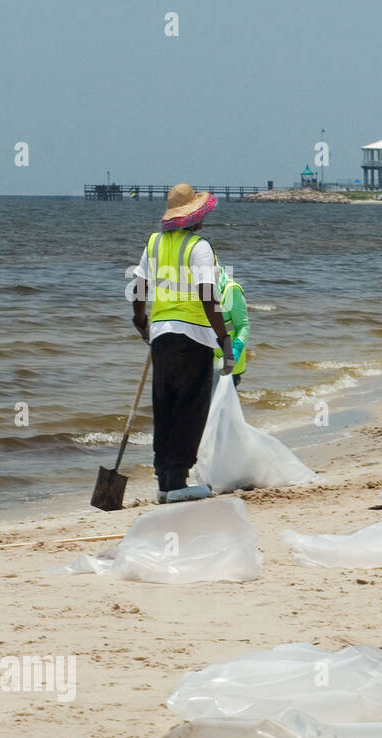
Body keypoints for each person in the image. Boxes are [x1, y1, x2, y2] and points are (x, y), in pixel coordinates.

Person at [130, 184, 234, 503]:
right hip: (194, 338)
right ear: (197, 216)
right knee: (190, 408)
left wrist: (141, 321)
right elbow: (207, 294)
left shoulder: (154, 243)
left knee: (166, 406)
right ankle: (177, 482)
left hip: (161, 335)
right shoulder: (198, 247)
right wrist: (224, 339)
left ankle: (166, 479)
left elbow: (139, 287)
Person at [212, 262, 249, 386]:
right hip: (207, 362)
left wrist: (234, 354)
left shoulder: (231, 290)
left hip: (230, 364)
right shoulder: (201, 290)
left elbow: (243, 326)